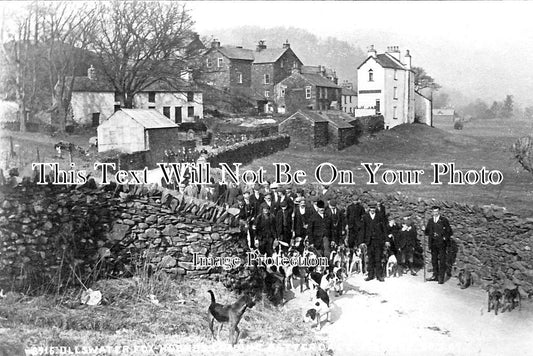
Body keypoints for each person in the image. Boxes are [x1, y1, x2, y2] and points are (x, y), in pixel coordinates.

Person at [424, 205, 453, 284]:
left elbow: (450, 232)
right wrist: (425, 229)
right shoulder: (430, 221)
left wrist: (444, 238)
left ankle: (441, 278)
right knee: (434, 260)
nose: (435, 213)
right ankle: (435, 275)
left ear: (439, 212)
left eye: (436, 211)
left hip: (441, 243)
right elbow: (427, 232)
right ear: (432, 212)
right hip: (433, 243)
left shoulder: (444, 220)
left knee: (442, 260)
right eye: (434, 211)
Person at [362, 202, 386, 282]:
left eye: (373, 208)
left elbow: (384, 229)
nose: (372, 210)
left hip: (378, 241)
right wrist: (362, 241)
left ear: (375, 208)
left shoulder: (379, 216)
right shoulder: (365, 217)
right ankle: (370, 275)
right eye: (371, 208)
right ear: (369, 208)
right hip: (369, 241)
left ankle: (379, 275)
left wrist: (385, 240)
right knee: (370, 258)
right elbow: (363, 230)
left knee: (378, 258)